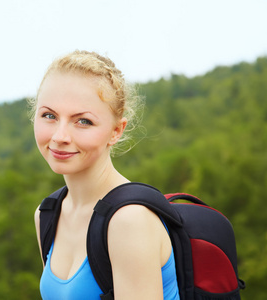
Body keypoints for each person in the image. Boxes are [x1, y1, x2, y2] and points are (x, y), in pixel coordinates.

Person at [31, 50, 180, 300]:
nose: (60, 136)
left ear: (116, 131)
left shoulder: (129, 221)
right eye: (49, 116)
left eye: (83, 121)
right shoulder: (47, 215)